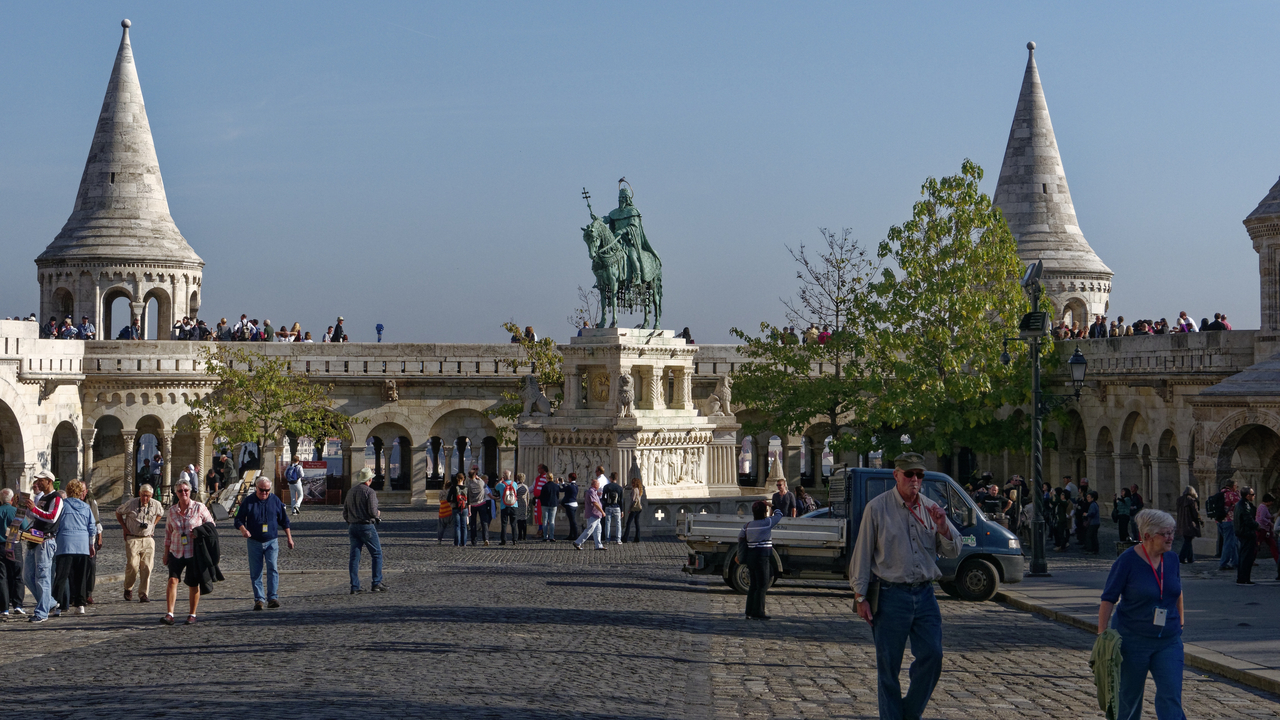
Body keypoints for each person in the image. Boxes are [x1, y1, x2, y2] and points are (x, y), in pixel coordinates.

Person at [850, 453, 959, 720]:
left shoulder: (931, 508)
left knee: (932, 656)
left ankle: (908, 714)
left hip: (924, 595)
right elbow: (862, 554)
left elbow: (954, 550)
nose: (915, 479)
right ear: (896, 475)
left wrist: (944, 527)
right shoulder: (876, 508)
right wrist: (860, 596)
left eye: (919, 475)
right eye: (909, 474)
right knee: (888, 668)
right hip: (890, 596)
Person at [1098, 509, 1186, 720]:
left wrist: (1181, 621)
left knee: (1171, 695)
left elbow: (1177, 590)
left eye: (1172, 532)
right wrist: (1102, 635)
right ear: (1147, 536)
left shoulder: (1172, 559)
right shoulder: (1127, 560)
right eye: (1165, 533)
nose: (1171, 537)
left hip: (1168, 640)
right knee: (1128, 698)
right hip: (1132, 640)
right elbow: (1109, 597)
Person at [234, 476, 295, 610]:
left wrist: (289, 538)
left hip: (271, 541)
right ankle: (259, 599)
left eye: (267, 490)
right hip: (254, 541)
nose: (264, 493)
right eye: (262, 490)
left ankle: (272, 597)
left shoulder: (275, 500)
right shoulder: (249, 501)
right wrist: (243, 530)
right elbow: (238, 519)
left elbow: (284, 521)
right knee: (256, 572)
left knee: (272, 568)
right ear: (256, 488)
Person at [162, 480, 215, 625]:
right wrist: (166, 553)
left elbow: (211, 526)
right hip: (176, 551)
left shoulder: (199, 507)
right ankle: (170, 614)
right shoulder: (172, 511)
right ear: (176, 493)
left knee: (193, 584)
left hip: (193, 552)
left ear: (190, 491)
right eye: (180, 491)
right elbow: (168, 533)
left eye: (186, 490)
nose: (183, 493)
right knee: (172, 580)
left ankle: (192, 614)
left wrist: (198, 532)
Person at [22, 470, 63, 623]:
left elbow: (52, 518)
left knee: (43, 577)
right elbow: (36, 516)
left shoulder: (56, 498)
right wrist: (25, 508)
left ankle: (42, 612)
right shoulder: (43, 498)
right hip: (34, 540)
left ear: (49, 481)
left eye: (41, 480)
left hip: (46, 541)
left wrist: (34, 509)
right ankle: (50, 603)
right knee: (27, 576)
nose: (38, 483)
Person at [52, 480, 97, 615]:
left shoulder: (63, 506)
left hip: (65, 543)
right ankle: (80, 604)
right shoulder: (85, 507)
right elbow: (92, 527)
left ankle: (58, 604)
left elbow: (56, 524)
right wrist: (91, 544)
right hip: (82, 544)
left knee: (61, 575)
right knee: (81, 576)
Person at [116, 483, 164, 602]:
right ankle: (128, 587)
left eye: (148, 496)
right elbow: (118, 512)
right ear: (139, 494)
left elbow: (161, 513)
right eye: (143, 495)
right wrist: (124, 528)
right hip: (133, 538)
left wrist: (154, 524)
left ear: (151, 495)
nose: (145, 498)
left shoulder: (156, 504)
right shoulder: (131, 503)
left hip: (148, 538)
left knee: (147, 566)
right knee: (132, 565)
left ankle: (143, 594)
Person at [739, 500, 785, 620]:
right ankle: (758, 612)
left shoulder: (747, 526)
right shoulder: (767, 522)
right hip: (762, 557)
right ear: (764, 512)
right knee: (763, 585)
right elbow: (780, 514)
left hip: (751, 557)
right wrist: (772, 506)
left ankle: (749, 611)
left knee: (753, 585)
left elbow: (741, 538)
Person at [344, 467, 385, 593]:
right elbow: (372, 511)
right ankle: (376, 583)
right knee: (377, 554)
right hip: (366, 526)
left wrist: (351, 521)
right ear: (370, 480)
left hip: (352, 526)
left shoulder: (350, 491)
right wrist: (377, 514)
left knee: (354, 557)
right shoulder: (370, 492)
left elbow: (345, 512)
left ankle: (355, 586)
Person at [0, 489, 22, 618]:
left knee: (2, 577)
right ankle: (18, 604)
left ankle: (4, 607)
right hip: (13, 544)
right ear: (12, 499)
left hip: (0, 545)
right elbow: (24, 526)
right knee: (17, 575)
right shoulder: (15, 511)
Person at [1234, 486, 1259, 585]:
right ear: (1248, 495)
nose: (1254, 496)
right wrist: (1257, 526)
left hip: (1241, 532)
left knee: (1243, 555)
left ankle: (1242, 577)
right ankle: (1245, 578)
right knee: (1247, 556)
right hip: (1247, 533)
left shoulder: (1240, 504)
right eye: (1252, 494)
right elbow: (1248, 520)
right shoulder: (1245, 506)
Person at [573, 476, 606, 551]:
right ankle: (578, 542)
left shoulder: (594, 492)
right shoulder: (591, 491)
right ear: (595, 485)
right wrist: (602, 511)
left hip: (596, 515)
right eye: (598, 485)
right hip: (593, 514)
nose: (599, 486)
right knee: (589, 529)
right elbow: (595, 503)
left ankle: (598, 545)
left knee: (598, 530)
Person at [1218, 480, 1241, 570]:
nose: (1236, 487)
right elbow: (1240, 504)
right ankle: (1223, 563)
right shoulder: (1231, 494)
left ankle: (1236, 561)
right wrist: (1238, 495)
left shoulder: (1221, 493)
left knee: (1233, 542)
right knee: (1228, 542)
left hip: (1219, 521)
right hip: (1229, 520)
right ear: (1232, 486)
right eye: (1236, 486)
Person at [1175, 487, 1201, 564]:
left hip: (1182, 523)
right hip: (1190, 523)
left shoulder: (1179, 500)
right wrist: (1200, 520)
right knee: (1188, 540)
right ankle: (1181, 557)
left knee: (1188, 540)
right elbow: (1195, 513)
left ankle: (1190, 558)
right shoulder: (1191, 501)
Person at [1257, 493, 1280, 581]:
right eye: (1271, 502)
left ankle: (1277, 559)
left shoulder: (1262, 507)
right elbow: (1261, 518)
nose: (1272, 504)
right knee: (1262, 544)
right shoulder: (1263, 507)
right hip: (1263, 529)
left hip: (1265, 529)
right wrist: (1269, 522)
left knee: (1272, 545)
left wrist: (1271, 517)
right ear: (1268, 501)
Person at [496, 471, 520, 546]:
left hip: (504, 506)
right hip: (514, 505)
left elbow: (496, 487)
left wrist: (500, 481)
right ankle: (515, 540)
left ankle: (503, 540)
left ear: (504, 476)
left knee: (504, 524)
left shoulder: (501, 485)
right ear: (510, 476)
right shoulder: (514, 484)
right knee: (513, 524)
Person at [466, 470, 489, 546]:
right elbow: (485, 486)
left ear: (469, 477)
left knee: (473, 523)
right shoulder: (480, 483)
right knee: (484, 522)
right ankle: (485, 538)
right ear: (475, 475)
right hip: (482, 503)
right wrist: (478, 478)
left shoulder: (469, 485)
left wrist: (468, 508)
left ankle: (474, 540)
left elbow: (468, 496)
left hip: (473, 505)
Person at [601, 472, 624, 544]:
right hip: (617, 507)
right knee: (618, 523)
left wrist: (603, 508)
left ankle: (607, 539)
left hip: (608, 506)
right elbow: (621, 500)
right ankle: (618, 539)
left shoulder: (606, 487)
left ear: (610, 478)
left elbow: (603, 498)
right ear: (616, 478)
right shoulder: (620, 488)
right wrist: (622, 510)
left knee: (607, 523)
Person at [448, 473, 470, 547]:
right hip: (464, 508)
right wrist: (469, 510)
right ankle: (464, 543)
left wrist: (452, 502)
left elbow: (448, 498)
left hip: (455, 507)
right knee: (464, 526)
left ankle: (457, 542)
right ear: (464, 479)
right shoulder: (466, 488)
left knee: (457, 526)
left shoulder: (453, 488)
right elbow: (469, 500)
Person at [539, 473, 561, 541]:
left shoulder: (545, 486)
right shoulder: (555, 486)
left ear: (547, 478)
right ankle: (552, 536)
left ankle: (545, 536)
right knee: (552, 521)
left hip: (545, 504)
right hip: (553, 504)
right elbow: (557, 495)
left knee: (545, 521)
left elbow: (541, 496)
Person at [623, 476, 644, 543]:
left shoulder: (634, 490)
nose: (632, 484)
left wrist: (630, 508)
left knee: (628, 523)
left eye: (632, 483)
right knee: (636, 523)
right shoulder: (639, 489)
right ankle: (637, 537)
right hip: (639, 508)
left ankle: (625, 538)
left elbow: (633, 500)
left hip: (634, 509)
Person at [532, 464, 550, 539]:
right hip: (537, 500)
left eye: (539, 469)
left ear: (543, 469)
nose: (538, 470)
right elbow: (533, 487)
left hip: (543, 500)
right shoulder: (537, 478)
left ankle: (542, 531)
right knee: (539, 515)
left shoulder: (546, 478)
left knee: (542, 516)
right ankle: (540, 530)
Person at [561, 472, 581, 541]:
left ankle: (575, 535)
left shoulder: (570, 486)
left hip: (570, 505)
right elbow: (566, 488)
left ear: (570, 478)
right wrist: (563, 483)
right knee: (571, 521)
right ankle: (571, 535)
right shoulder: (575, 486)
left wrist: (558, 484)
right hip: (574, 504)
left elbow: (562, 490)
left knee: (572, 521)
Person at [436, 479, 453, 545]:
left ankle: (439, 540)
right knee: (453, 527)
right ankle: (456, 540)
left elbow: (440, 500)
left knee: (441, 527)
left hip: (442, 511)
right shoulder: (451, 492)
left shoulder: (441, 492)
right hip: (450, 510)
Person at [515, 473, 530, 541]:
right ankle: (525, 536)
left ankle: (520, 535)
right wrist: (527, 503)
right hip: (524, 503)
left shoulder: (516, 486)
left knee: (519, 520)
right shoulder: (526, 487)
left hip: (518, 503)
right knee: (524, 520)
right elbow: (528, 497)